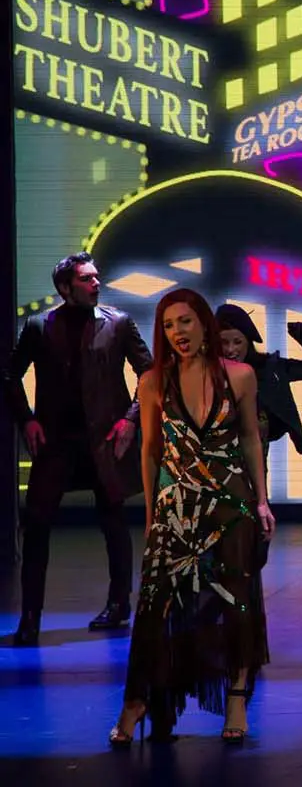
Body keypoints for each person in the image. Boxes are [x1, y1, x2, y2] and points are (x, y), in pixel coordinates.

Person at [111, 289, 273, 746]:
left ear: (203, 324)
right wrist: (151, 511)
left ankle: (237, 697)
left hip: (230, 503)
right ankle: (140, 699)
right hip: (176, 507)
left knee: (236, 598)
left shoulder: (240, 376)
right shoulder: (152, 382)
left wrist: (261, 500)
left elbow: (249, 438)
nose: (177, 332)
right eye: (167, 325)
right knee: (156, 605)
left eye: (184, 321)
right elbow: (149, 452)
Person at [3, 253, 153, 646]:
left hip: (104, 439)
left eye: (96, 277)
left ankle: (120, 604)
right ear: (65, 287)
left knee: (112, 519)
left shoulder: (117, 322)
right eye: (86, 279)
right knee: (36, 525)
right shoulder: (39, 326)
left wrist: (130, 419)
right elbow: (9, 374)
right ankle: (30, 617)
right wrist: (28, 420)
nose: (95, 283)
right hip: (56, 442)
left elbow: (149, 373)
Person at [215, 306, 302, 500]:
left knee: (252, 510)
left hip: (253, 465)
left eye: (237, 342)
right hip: (213, 467)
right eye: (223, 342)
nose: (230, 349)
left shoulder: (270, 369)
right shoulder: (203, 374)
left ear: (248, 342)